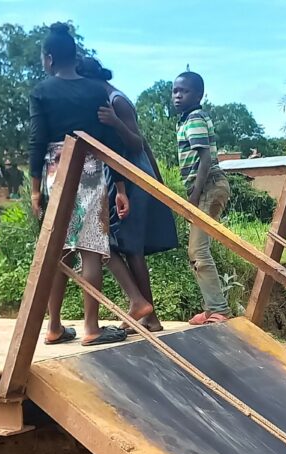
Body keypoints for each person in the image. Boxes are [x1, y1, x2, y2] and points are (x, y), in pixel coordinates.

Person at [29, 23, 132, 347]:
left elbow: (37, 141)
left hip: (56, 171)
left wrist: (35, 189)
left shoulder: (41, 92)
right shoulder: (96, 90)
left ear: (48, 59)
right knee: (90, 250)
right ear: (75, 56)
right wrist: (122, 188)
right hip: (90, 167)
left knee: (59, 252)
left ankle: (54, 326)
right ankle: (90, 327)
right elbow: (110, 140)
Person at [79, 56, 178, 333]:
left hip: (132, 179)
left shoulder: (116, 102)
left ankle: (146, 311)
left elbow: (136, 142)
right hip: (123, 179)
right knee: (121, 245)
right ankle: (146, 312)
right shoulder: (106, 100)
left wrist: (114, 122)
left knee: (129, 247)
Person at [173, 71, 231, 326]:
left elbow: (205, 158)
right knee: (196, 250)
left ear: (198, 95)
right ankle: (211, 309)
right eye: (174, 91)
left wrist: (194, 196)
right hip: (205, 187)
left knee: (198, 249)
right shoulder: (186, 120)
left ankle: (218, 309)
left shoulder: (195, 118)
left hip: (208, 186)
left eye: (183, 91)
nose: (176, 96)